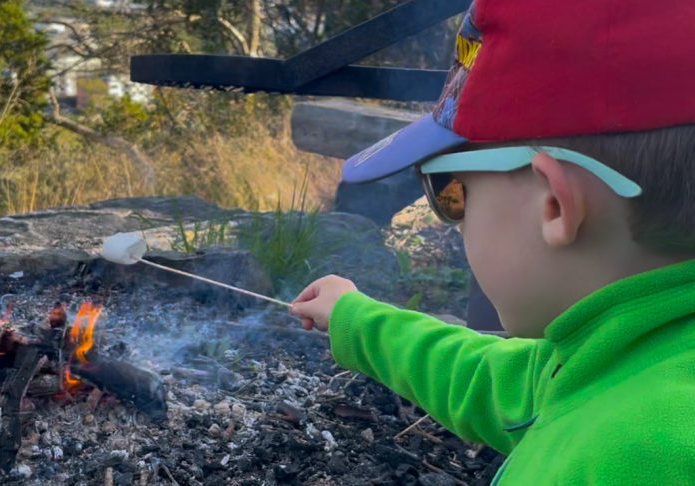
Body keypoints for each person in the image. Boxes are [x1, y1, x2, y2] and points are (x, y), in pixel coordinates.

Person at [289, 0, 695, 484]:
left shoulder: (635, 457)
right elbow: (485, 379)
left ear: (554, 206)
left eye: (450, 193)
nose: (451, 221)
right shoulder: (623, 355)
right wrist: (355, 317)